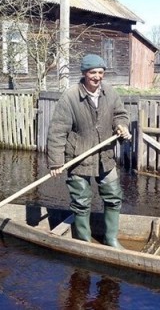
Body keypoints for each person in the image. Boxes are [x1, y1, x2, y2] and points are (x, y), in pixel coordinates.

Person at [47, 54, 132, 249]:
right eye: (93, 72)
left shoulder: (110, 93)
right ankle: (84, 242)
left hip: (105, 156)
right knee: (81, 201)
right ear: (84, 73)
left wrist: (121, 126)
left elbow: (121, 114)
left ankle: (111, 240)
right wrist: (55, 162)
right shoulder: (70, 97)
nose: (97, 76)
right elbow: (57, 131)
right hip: (78, 158)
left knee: (113, 197)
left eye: (101, 72)